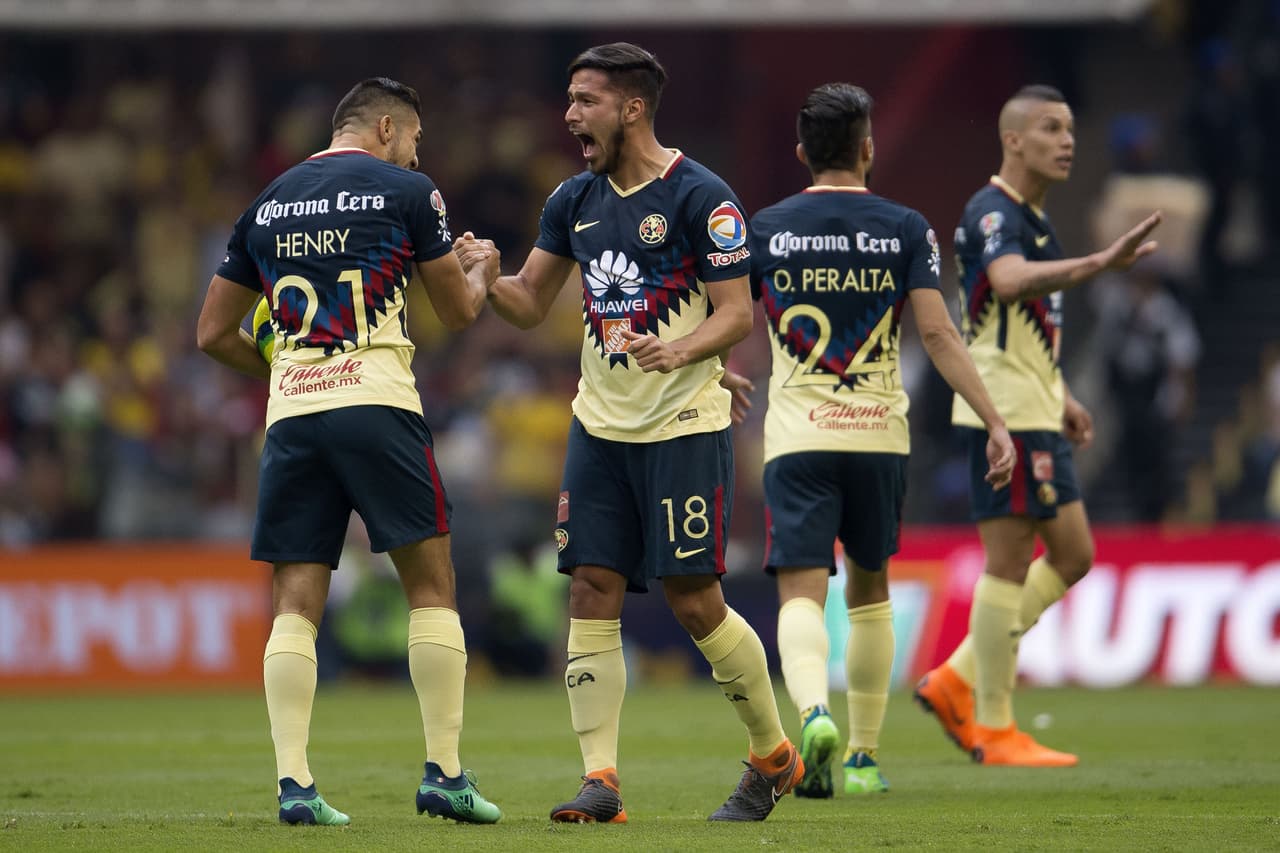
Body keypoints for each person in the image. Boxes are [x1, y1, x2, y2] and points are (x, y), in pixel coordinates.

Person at [456, 42, 803, 823]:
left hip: (682, 422)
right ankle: (601, 780)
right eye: (571, 100)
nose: (572, 115)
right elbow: (528, 301)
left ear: (633, 107)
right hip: (599, 426)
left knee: (693, 599)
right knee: (589, 587)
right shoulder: (572, 199)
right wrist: (484, 277)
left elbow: (739, 313)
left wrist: (676, 351)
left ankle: (774, 753)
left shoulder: (701, 196)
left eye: (587, 100)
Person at [196, 77, 504, 825]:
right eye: (416, 140)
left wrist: (286, 363)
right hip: (376, 401)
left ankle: (294, 785)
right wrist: (483, 268)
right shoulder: (406, 191)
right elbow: (458, 312)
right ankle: (445, 773)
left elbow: (210, 333)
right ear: (388, 127)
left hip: (295, 412)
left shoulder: (265, 204)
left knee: (296, 603)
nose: (417, 154)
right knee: (431, 587)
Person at [747, 83, 1015, 798]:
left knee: (800, 591)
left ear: (802, 151)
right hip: (876, 434)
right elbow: (937, 333)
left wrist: (713, 377)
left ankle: (811, 715)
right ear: (867, 147)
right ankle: (863, 756)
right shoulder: (904, 227)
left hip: (799, 434)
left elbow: (725, 325)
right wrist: (993, 419)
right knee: (869, 592)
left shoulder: (766, 226)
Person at [914, 84, 1162, 766]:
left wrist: (1063, 393)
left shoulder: (1035, 217)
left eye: (1071, 129)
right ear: (1013, 139)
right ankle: (991, 722)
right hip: (1003, 412)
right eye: (1051, 128)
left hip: (1033, 404)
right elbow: (1011, 280)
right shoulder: (994, 210)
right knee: (1011, 561)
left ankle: (959, 677)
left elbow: (1023, 326)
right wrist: (1098, 263)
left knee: (1073, 552)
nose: (1067, 141)